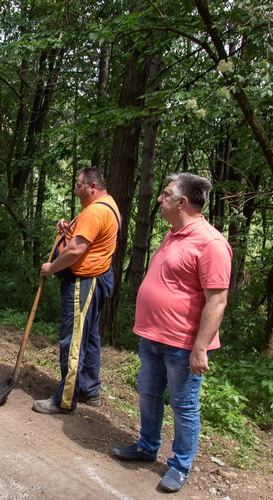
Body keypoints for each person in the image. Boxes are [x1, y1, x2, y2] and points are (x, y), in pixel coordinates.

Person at [111, 172, 232, 493]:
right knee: (149, 394)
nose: (160, 199)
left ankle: (179, 466)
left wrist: (201, 348)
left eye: (166, 195)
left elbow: (217, 301)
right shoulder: (173, 234)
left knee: (184, 405)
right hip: (153, 337)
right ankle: (147, 447)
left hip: (183, 345)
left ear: (182, 202)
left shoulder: (211, 243)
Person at [33, 167, 120, 415]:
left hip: (85, 281)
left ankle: (65, 399)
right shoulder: (106, 205)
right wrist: (67, 228)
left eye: (79, 185)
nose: (75, 190)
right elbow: (84, 236)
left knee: (73, 339)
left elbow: (75, 251)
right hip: (99, 278)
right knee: (89, 336)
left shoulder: (96, 211)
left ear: (92, 186)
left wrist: (50, 268)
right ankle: (89, 391)